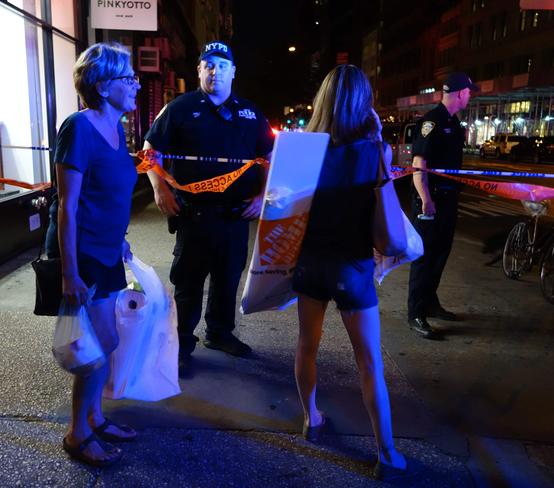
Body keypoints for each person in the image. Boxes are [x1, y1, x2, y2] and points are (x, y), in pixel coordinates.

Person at [292, 64, 411, 481]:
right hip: (353, 267)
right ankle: (387, 451)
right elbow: (386, 209)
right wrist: (378, 140)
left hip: (310, 262)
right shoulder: (375, 151)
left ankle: (311, 418)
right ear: (365, 103)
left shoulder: (303, 149)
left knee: (307, 346)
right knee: (368, 362)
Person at [143, 41, 274, 376]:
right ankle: (181, 344)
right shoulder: (180, 108)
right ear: (199, 70)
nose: (215, 71)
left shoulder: (250, 113)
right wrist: (160, 190)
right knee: (188, 282)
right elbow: (150, 152)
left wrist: (262, 197)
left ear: (233, 71)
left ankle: (219, 333)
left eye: (222, 65)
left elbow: (270, 159)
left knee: (227, 278)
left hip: (235, 215)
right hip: (193, 213)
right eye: (209, 65)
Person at [54, 42, 140, 467]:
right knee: (97, 344)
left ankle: (96, 417)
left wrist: (120, 237)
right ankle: (78, 432)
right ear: (104, 86)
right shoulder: (79, 128)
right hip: (85, 254)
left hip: (107, 250)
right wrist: (69, 273)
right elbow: (67, 206)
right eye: (128, 78)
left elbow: (109, 195)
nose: (136, 84)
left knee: (103, 342)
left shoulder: (117, 129)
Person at [407, 72, 478, 339]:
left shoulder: (453, 122)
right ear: (460, 93)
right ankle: (416, 313)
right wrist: (426, 199)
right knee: (424, 259)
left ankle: (430, 302)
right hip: (431, 200)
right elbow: (419, 164)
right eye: (469, 92)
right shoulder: (432, 122)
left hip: (448, 200)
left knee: (440, 255)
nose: (471, 96)